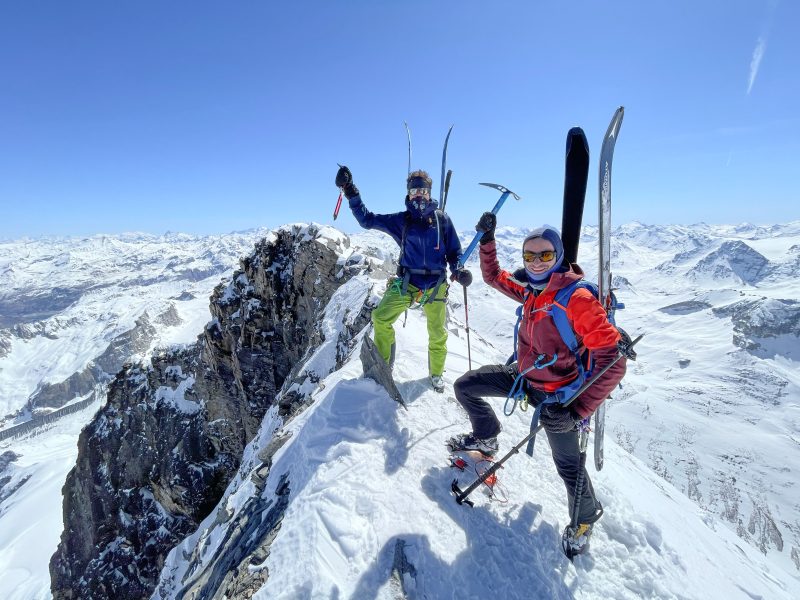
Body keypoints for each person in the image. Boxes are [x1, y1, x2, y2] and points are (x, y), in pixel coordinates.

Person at [448, 211, 626, 550]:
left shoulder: (576, 299)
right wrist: (488, 241)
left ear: (558, 255)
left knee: (568, 466)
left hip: (560, 398)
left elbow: (613, 362)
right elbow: (495, 277)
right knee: (466, 386)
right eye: (530, 256)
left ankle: (585, 519)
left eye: (545, 255)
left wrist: (576, 413)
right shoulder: (533, 290)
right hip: (526, 380)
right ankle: (486, 439)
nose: (537, 262)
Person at [335, 165, 472, 392]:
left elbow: (454, 252)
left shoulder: (442, 220)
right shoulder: (402, 220)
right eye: (415, 190)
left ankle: (436, 375)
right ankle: (384, 366)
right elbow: (367, 220)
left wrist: (458, 270)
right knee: (380, 318)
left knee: (437, 334)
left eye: (423, 191)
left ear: (429, 193)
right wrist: (350, 191)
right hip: (408, 283)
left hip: (436, 285)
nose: (419, 194)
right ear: (409, 193)